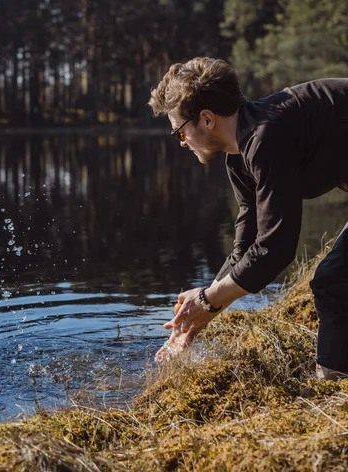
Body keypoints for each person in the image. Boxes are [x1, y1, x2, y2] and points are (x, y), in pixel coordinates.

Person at [148, 57, 348, 379]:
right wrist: (199, 311)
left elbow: (276, 248)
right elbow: (247, 247)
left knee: (335, 281)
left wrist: (209, 300)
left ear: (207, 119)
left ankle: (330, 387)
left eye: (179, 134)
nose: (182, 143)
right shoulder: (240, 158)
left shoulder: (266, 137)